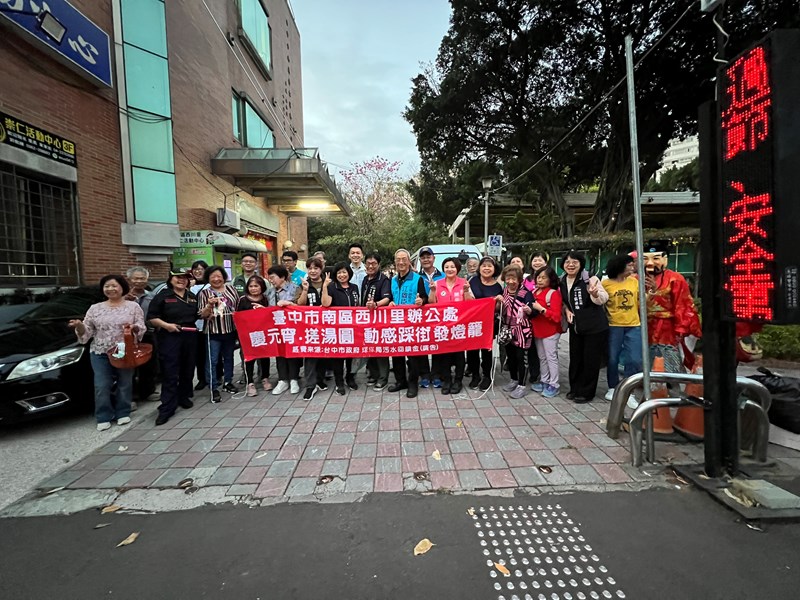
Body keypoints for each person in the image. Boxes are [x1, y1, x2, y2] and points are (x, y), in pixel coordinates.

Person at [68, 274, 145, 431]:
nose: (110, 289)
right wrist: (78, 326)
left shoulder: (133, 307)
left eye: (114, 286)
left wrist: (134, 328)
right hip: (100, 351)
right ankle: (103, 415)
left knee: (125, 383)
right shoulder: (95, 308)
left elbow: (141, 327)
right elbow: (87, 332)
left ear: (122, 287)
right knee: (102, 385)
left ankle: (123, 412)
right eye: (107, 286)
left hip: (125, 350)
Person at [147, 270, 199, 426]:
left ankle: (183, 397)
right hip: (170, 336)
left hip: (189, 335)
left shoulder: (191, 297)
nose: (181, 281)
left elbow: (197, 315)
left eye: (185, 278)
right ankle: (167, 407)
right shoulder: (163, 296)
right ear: (171, 279)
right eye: (178, 277)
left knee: (188, 369)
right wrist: (166, 326)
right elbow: (152, 318)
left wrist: (209, 309)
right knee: (170, 371)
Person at [643, 242, 702, 374]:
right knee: (644, 357)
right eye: (645, 259)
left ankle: (671, 382)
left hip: (667, 328)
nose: (650, 263)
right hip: (643, 326)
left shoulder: (675, 279)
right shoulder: (636, 278)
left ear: (665, 259)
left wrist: (681, 327)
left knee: (669, 357)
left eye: (656, 258)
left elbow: (683, 305)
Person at [560, 251, 609, 403]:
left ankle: (587, 392)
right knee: (575, 359)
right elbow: (562, 301)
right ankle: (575, 389)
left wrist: (594, 294)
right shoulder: (562, 280)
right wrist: (566, 310)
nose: (571, 264)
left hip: (594, 327)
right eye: (567, 262)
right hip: (576, 327)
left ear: (581, 264)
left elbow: (603, 298)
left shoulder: (590, 279)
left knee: (590, 360)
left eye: (575, 261)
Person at [428, 257, 473, 394]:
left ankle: (458, 381)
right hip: (443, 326)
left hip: (460, 325)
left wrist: (466, 291)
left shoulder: (464, 283)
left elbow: (471, 303)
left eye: (452, 267)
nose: (449, 269)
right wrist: (433, 290)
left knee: (459, 354)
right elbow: (431, 303)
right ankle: (447, 379)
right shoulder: (438, 283)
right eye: (446, 267)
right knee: (445, 354)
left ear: (457, 268)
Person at [602, 254, 643, 402]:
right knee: (613, 358)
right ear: (620, 266)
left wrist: (651, 293)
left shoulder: (634, 282)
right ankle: (612, 387)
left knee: (634, 359)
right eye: (630, 265)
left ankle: (629, 391)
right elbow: (600, 302)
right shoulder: (606, 284)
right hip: (614, 325)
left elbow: (641, 301)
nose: (633, 267)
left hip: (634, 325)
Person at [388, 248, 428, 398]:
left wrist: (421, 301)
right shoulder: (392, 280)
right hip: (396, 322)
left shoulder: (418, 279)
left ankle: (412, 384)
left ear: (409, 261)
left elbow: (424, 297)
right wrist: (390, 302)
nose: (401, 262)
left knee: (412, 357)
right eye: (398, 259)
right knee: (397, 355)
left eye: (404, 259)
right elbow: (390, 297)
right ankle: (400, 381)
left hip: (412, 323)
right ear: (395, 262)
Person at [197, 266, 240, 403]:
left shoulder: (231, 289)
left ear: (224, 277)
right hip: (213, 332)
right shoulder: (204, 293)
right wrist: (209, 306)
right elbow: (201, 315)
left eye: (219, 276)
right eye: (212, 277)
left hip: (230, 330)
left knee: (229, 357)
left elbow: (238, 307)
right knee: (212, 360)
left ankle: (228, 382)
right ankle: (213, 387)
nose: (216, 279)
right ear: (208, 278)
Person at [321, 262, 361, 395]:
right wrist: (325, 287)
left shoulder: (354, 287)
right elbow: (326, 304)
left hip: (353, 327)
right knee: (338, 356)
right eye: (339, 273)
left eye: (344, 272)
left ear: (349, 273)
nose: (342, 275)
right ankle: (339, 382)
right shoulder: (332, 287)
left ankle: (350, 378)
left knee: (351, 354)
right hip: (337, 328)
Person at [467, 256, 503, 391]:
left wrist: (499, 301)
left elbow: (498, 308)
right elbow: (467, 301)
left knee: (487, 349)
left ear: (494, 269)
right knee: (471, 350)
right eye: (484, 266)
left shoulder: (498, 286)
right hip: (472, 321)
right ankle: (475, 375)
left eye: (489, 266)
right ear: (479, 268)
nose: (486, 268)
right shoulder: (472, 281)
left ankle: (487, 376)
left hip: (489, 322)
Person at [499, 264, 534, 399]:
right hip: (508, 329)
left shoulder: (525, 292)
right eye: (508, 278)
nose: (511, 281)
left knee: (521, 358)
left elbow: (532, 309)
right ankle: (513, 379)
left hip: (522, 330)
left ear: (519, 279)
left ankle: (522, 385)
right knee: (511, 357)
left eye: (514, 278)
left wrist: (528, 310)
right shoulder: (505, 291)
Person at [267, 264, 302, 395]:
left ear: (282, 277)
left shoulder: (295, 289)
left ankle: (294, 379)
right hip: (276, 327)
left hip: (293, 327)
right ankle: (283, 380)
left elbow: (301, 306)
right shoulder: (270, 291)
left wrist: (289, 304)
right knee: (279, 353)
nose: (271, 280)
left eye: (273, 277)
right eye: (269, 278)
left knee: (292, 352)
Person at [297, 257, 329, 400]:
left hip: (326, 325)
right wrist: (304, 290)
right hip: (308, 327)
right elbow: (299, 304)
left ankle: (320, 380)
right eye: (310, 268)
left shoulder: (328, 283)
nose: (313, 271)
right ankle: (310, 386)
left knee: (323, 354)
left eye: (316, 268)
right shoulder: (304, 284)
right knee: (310, 355)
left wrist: (326, 287)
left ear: (321, 269)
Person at [237, 275, 274, 396]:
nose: (253, 288)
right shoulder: (243, 300)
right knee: (249, 358)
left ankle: (265, 378)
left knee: (264, 356)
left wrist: (264, 310)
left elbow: (271, 315)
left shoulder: (266, 298)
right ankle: (250, 383)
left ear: (262, 287)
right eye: (251, 286)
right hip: (247, 335)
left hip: (263, 333)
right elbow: (238, 317)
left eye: (256, 286)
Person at [361, 252, 393, 391]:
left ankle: (383, 378)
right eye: (368, 263)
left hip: (380, 319)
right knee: (370, 347)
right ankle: (373, 375)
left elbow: (387, 298)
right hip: (367, 319)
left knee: (380, 349)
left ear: (379, 265)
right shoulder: (365, 279)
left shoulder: (384, 279)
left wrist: (376, 305)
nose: (370, 266)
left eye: (374, 263)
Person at [530, 266, 563, 398]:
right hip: (538, 330)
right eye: (538, 277)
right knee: (542, 358)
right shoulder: (534, 292)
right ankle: (544, 381)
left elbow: (556, 317)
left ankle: (554, 385)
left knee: (551, 358)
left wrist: (541, 309)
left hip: (550, 331)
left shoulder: (553, 293)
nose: (540, 280)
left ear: (551, 279)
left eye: (544, 277)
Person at [125, 266, 157, 404]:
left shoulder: (152, 297)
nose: (139, 281)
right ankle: (131, 396)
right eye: (136, 278)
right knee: (129, 366)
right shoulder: (122, 297)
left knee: (149, 364)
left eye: (142, 278)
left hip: (147, 334)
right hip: (127, 335)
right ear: (129, 280)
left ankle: (148, 391)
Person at [417, 246, 444, 389]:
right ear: (420, 260)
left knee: (437, 343)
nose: (426, 259)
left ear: (433, 258)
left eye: (428, 256)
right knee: (422, 343)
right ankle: (425, 375)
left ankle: (436, 374)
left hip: (439, 316)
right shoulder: (417, 277)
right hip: (420, 315)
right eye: (423, 257)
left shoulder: (444, 275)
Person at [523, 252, 548, 390]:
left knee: (544, 349)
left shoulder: (550, 277)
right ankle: (534, 373)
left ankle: (546, 376)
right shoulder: (527, 279)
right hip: (528, 316)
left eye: (540, 260)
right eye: (534, 260)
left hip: (543, 316)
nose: (537, 262)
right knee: (531, 346)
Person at [190, 260, 214, 391]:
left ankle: (214, 376)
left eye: (201, 269)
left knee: (210, 353)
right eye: (195, 269)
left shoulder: (210, 287)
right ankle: (202, 379)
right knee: (198, 354)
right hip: (193, 327)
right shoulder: (188, 287)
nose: (198, 271)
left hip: (208, 325)